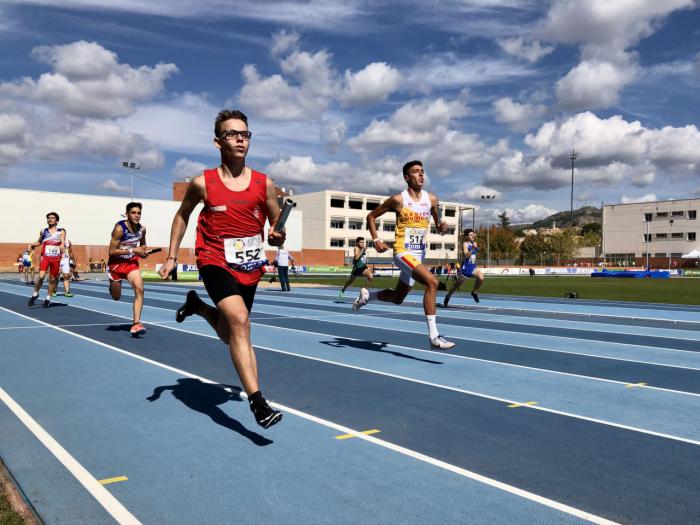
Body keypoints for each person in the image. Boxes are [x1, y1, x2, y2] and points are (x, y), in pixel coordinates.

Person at [158, 109, 285, 429]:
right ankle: (258, 403)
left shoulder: (264, 183)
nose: (240, 139)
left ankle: (198, 307)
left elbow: (277, 223)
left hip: (250, 265)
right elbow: (182, 215)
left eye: (245, 133)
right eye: (232, 133)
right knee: (240, 321)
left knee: (231, 333)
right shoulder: (203, 183)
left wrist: (277, 234)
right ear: (218, 142)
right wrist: (172, 256)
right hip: (213, 258)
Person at [353, 160, 455, 350]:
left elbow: (435, 215)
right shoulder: (398, 200)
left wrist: (440, 225)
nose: (421, 174)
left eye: (423, 171)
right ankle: (434, 336)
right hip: (403, 252)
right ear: (407, 178)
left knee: (398, 298)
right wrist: (376, 240)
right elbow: (371, 217)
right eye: (416, 172)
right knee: (432, 282)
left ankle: (368, 296)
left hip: (419, 255)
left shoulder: (431, 199)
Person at [107, 202, 150, 336]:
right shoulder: (120, 228)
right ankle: (112, 284)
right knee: (116, 297)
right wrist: (133, 250)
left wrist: (142, 251)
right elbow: (111, 251)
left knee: (140, 288)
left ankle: (136, 324)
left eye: (139, 213)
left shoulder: (142, 229)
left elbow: (143, 245)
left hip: (131, 263)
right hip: (116, 264)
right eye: (133, 213)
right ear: (127, 214)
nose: (137, 215)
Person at [28, 212, 65, 307]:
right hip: (45, 257)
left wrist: (62, 245)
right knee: (41, 277)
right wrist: (31, 244)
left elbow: (62, 242)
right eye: (48, 218)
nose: (50, 219)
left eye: (52, 218)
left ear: (57, 221)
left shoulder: (61, 231)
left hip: (56, 259)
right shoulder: (43, 231)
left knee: (52, 279)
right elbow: (39, 242)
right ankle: (36, 293)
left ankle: (48, 298)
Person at [443, 229, 485, 306]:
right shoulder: (465, 244)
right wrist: (472, 248)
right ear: (467, 236)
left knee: (481, 277)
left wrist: (475, 246)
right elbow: (466, 255)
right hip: (466, 269)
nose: (472, 236)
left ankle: (474, 292)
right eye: (470, 235)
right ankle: (448, 296)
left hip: (473, 268)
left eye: (473, 235)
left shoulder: (474, 243)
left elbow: (478, 250)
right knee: (456, 286)